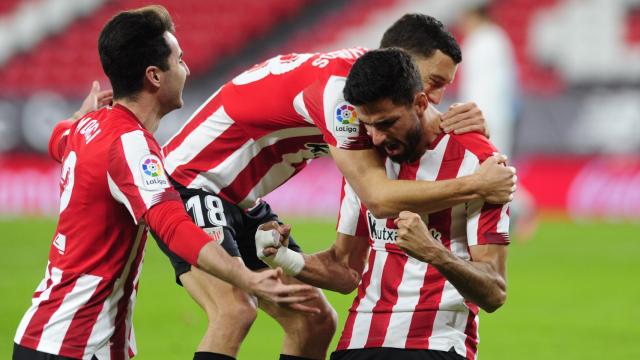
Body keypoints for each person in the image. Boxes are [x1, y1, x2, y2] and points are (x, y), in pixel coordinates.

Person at [157, 13, 516, 360]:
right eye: (433, 82)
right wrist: (478, 184)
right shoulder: (342, 95)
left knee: (314, 321)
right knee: (234, 310)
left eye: (444, 88)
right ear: (400, 62)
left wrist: (462, 120)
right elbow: (378, 198)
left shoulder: (365, 92)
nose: (436, 97)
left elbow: (347, 270)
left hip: (240, 198)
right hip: (190, 182)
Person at [12, 6, 316, 360]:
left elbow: (57, 137)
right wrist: (243, 276)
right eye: (180, 60)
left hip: (42, 334)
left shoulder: (86, 128)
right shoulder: (130, 144)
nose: (186, 68)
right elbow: (171, 225)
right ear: (154, 76)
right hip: (79, 345)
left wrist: (79, 118)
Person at [257, 48, 510, 360]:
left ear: (420, 103)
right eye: (368, 124)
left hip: (433, 345)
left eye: (387, 123)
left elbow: (494, 292)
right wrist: (283, 256)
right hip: (358, 345)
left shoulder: (481, 163)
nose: (376, 137)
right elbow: (344, 267)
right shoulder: (365, 164)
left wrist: (435, 254)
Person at [457, 3, 537, 240]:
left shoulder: (483, 41)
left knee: (491, 165)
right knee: (492, 165)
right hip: (493, 114)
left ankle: (521, 208)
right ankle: (513, 211)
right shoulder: (495, 39)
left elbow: (483, 86)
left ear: (474, 15)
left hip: (486, 116)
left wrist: (470, 114)